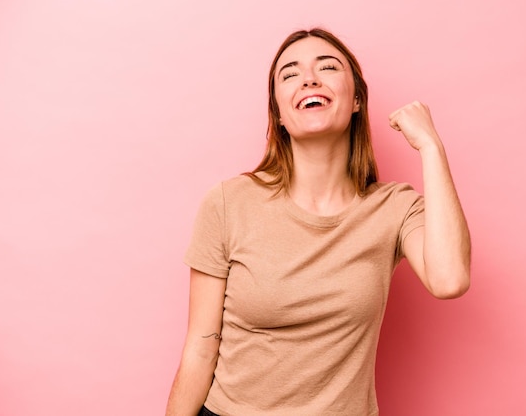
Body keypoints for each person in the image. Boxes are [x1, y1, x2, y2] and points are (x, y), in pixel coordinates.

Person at [165, 28, 471, 416]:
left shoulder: (393, 208)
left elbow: (451, 280)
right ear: (278, 112)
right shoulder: (228, 203)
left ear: (357, 99)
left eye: (327, 67)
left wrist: (431, 147)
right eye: (290, 73)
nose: (309, 78)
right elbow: (201, 345)